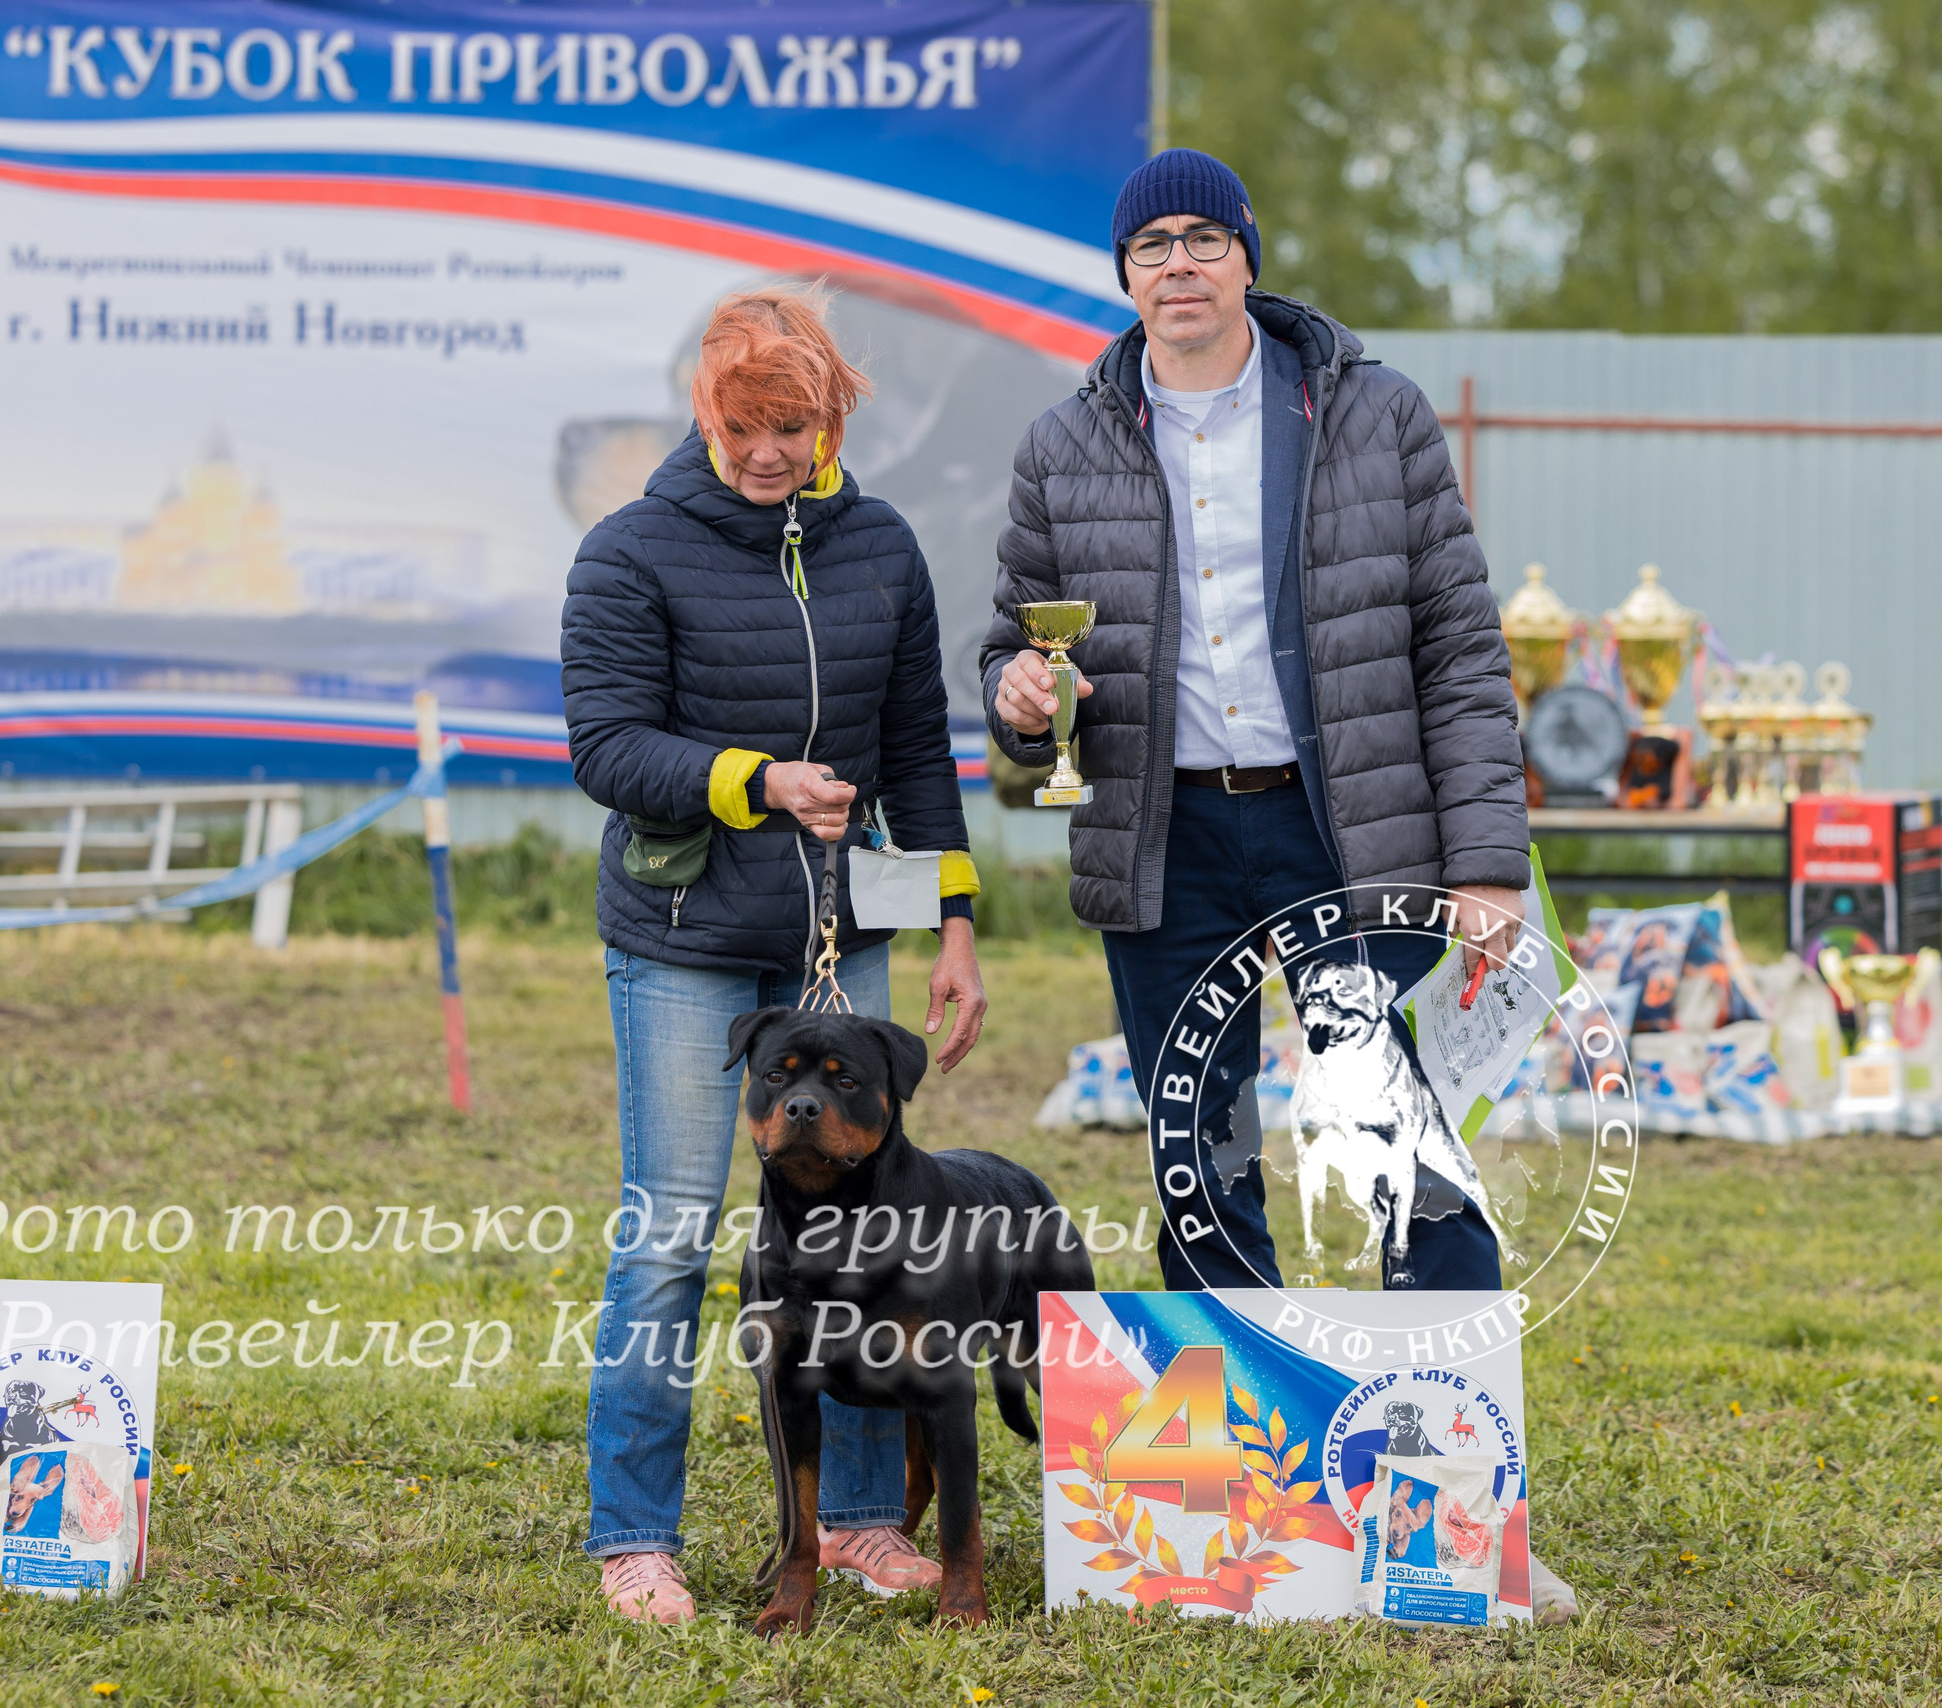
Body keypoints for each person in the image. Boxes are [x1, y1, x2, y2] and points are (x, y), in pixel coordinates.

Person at [980, 142, 1581, 1630]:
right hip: (1162, 838)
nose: (1177, 267)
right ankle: (1233, 1522)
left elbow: (1456, 643)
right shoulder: (1066, 442)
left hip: (1344, 838)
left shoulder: (1370, 412)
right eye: (1149, 248)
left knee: (1402, 1157)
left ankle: (1466, 1516)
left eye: (1202, 239)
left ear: (1249, 255)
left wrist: (1487, 861)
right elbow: (1012, 649)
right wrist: (1013, 699)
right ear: (1123, 279)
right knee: (1199, 1163)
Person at [563, 286, 988, 1624]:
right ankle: (637, 1536)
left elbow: (917, 747)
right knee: (674, 1239)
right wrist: (756, 781)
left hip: (838, 942)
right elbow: (608, 749)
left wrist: (957, 923)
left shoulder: (883, 545)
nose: (764, 452)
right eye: (741, 425)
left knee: (868, 1241)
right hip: (685, 941)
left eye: (791, 426)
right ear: (702, 412)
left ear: (834, 415)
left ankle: (861, 1523)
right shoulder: (629, 551)